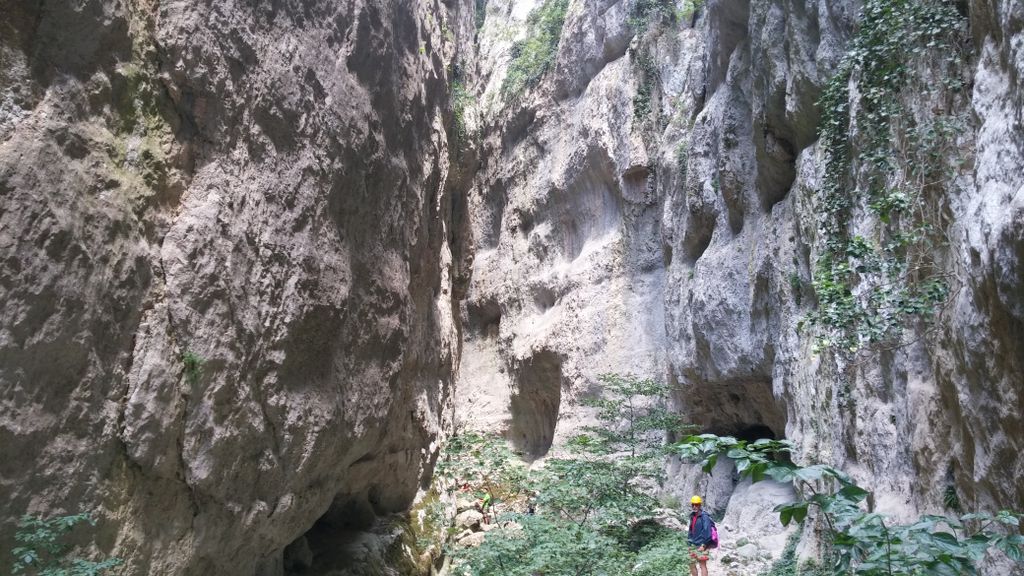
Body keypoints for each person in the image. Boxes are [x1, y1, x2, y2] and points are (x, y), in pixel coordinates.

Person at [687, 495, 712, 576]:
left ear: (700, 505)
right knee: (691, 563)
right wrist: (689, 544)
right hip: (693, 544)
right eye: (693, 504)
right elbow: (691, 531)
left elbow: (707, 531)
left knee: (702, 565)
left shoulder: (704, 516)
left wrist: (704, 545)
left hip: (702, 544)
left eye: (696, 504)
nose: (694, 506)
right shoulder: (692, 516)